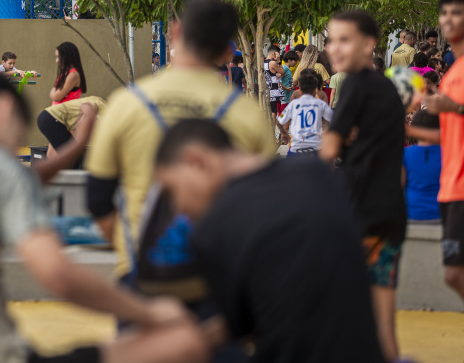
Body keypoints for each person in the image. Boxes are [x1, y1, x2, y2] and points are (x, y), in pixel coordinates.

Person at [0, 68, 210, 363]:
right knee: (183, 341)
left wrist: (75, 146)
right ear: (3, 110)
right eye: (18, 131)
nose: (15, 142)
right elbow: (58, 273)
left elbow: (23, 180)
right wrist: (148, 311)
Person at [85, 0, 275, 299]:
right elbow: (265, 208)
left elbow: (97, 200)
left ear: (175, 32)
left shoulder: (127, 104)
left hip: (141, 277)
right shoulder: (248, 116)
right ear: (228, 52)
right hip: (219, 283)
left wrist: (132, 246)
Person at [154, 118, 386, 363]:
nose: (178, 208)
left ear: (196, 161)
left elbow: (243, 328)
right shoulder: (315, 174)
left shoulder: (213, 230)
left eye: (171, 191)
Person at [320, 10, 406, 361]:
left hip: (360, 217)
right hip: (389, 215)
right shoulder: (385, 86)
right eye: (330, 40)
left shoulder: (353, 83)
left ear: (369, 44)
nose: (334, 48)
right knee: (382, 321)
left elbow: (327, 150)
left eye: (344, 40)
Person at [424, 0, 464, 305]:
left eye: (457, 12)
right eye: (445, 12)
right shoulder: (451, 73)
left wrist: (453, 108)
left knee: (454, 274)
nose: (448, 19)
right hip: (449, 186)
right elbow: (451, 134)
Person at [276, 70, 333, 155]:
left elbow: (280, 121)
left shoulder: (293, 103)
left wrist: (284, 133)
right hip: (316, 147)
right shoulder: (321, 102)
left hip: (296, 147)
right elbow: (332, 119)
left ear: (300, 90)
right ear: (315, 89)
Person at [37, 96, 107, 162]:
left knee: (55, 156)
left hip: (46, 116)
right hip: (54, 120)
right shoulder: (105, 112)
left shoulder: (94, 100)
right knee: (75, 159)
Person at [403, 110, 441, 223]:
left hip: (412, 214)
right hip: (442, 214)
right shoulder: (448, 154)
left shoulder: (404, 154)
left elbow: (400, 184)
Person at [263, 45, 285, 125]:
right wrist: (279, 61)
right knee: (273, 113)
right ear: (274, 54)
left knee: (268, 112)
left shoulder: (263, 63)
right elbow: (283, 72)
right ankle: (272, 134)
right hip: (274, 92)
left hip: (266, 91)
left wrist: (276, 73)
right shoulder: (273, 63)